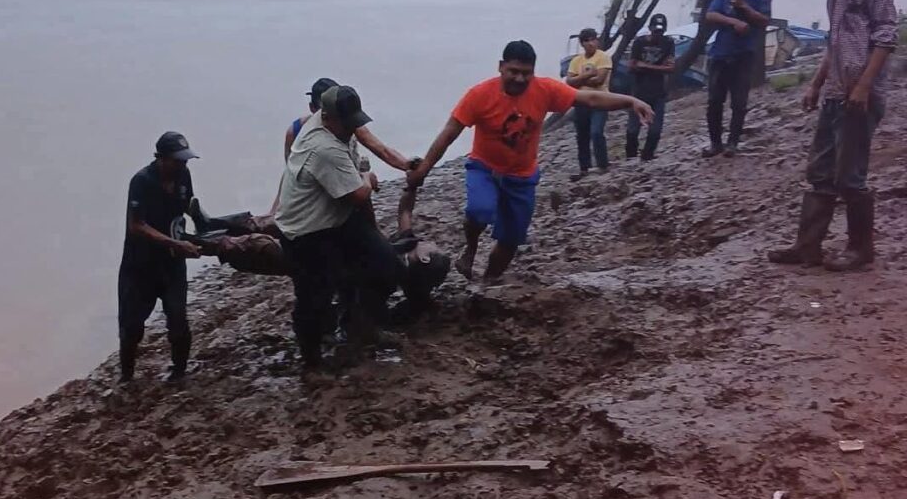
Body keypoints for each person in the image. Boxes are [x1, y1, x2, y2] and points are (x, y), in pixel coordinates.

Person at [406, 40, 654, 282]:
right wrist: (424, 169)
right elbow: (449, 133)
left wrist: (631, 101)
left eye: (526, 73)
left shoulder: (544, 89)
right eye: (513, 71)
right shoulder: (479, 94)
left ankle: (488, 282)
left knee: (511, 240)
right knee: (479, 210)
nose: (520, 79)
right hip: (485, 168)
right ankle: (470, 249)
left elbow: (590, 99)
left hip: (521, 175)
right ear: (501, 66)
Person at [768, 0, 897, 272]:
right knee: (820, 170)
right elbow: (835, 41)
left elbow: (885, 37)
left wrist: (864, 87)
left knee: (850, 175)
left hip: (860, 94)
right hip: (835, 91)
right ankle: (807, 246)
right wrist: (815, 84)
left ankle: (860, 249)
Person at [275, 85, 404, 368]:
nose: (351, 129)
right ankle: (311, 362)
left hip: (337, 217)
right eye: (347, 124)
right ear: (327, 117)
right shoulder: (324, 148)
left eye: (355, 122)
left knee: (385, 263)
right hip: (305, 230)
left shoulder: (332, 124)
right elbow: (358, 195)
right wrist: (367, 177)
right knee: (314, 296)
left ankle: (361, 325)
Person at [118, 132, 202, 384]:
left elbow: (189, 207)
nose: (182, 165)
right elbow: (136, 225)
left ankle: (179, 372)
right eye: (177, 161)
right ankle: (126, 377)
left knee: (178, 318)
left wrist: (207, 230)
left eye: (185, 161)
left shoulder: (183, 175)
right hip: (140, 265)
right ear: (161, 158)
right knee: (132, 325)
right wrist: (175, 243)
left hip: (172, 263)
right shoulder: (141, 181)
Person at [269, 77, 412, 214]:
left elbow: (382, 150)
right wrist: (275, 211)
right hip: (316, 189)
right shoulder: (296, 131)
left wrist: (409, 166)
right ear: (313, 109)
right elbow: (291, 173)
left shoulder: (346, 121)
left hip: (348, 178)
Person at [702, 0, 772, 158]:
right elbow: (710, 14)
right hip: (720, 53)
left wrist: (744, 7)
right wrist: (733, 21)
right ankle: (715, 143)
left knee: (739, 102)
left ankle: (732, 143)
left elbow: (764, 21)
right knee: (714, 101)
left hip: (743, 54)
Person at [626, 13, 676, 161]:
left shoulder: (668, 43)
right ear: (650, 28)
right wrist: (658, 67)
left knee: (655, 130)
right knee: (632, 130)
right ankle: (631, 157)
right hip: (639, 91)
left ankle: (647, 156)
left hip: (658, 92)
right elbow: (632, 65)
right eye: (655, 31)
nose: (657, 34)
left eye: (660, 31)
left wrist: (646, 66)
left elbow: (671, 68)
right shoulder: (639, 42)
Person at [567, 28, 615, 178]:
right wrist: (588, 75)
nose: (590, 43)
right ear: (582, 43)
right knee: (582, 135)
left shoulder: (603, 57)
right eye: (586, 41)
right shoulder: (576, 60)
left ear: (597, 41)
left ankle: (602, 164)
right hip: (581, 101)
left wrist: (579, 79)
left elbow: (599, 80)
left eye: (593, 39)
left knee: (596, 132)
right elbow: (569, 81)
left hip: (600, 100)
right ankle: (584, 168)